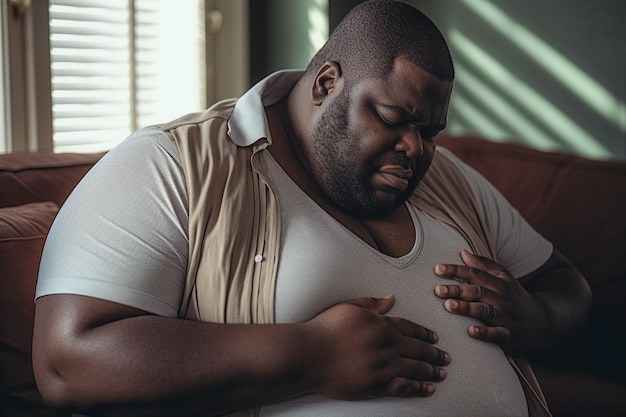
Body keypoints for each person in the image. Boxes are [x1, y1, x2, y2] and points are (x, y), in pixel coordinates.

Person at [32, 1, 591, 416]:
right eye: (394, 119)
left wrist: (538, 317)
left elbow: (566, 283)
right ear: (326, 82)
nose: (415, 148)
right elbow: (66, 361)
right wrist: (310, 354)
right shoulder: (172, 164)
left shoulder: (447, 181)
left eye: (430, 130)